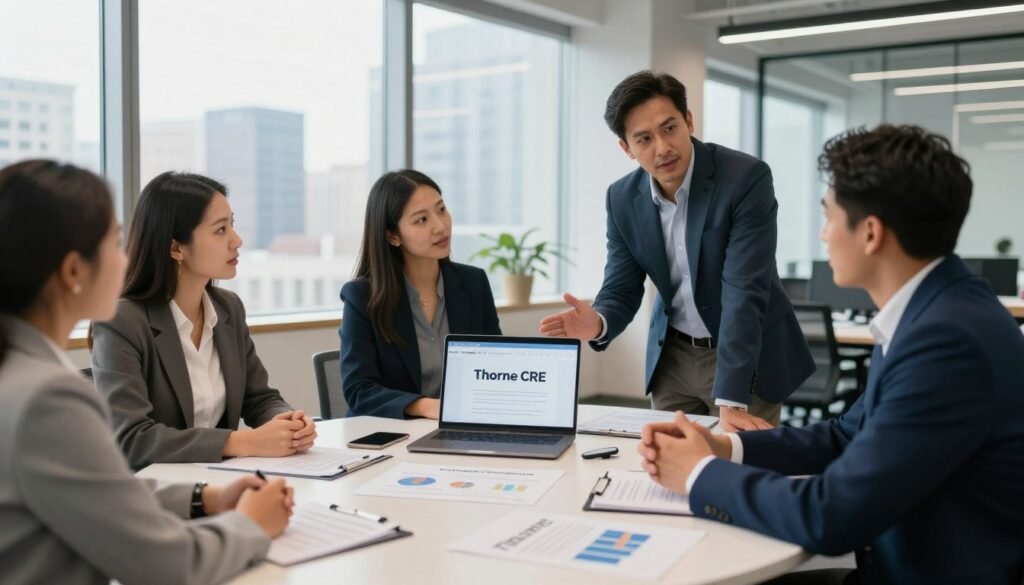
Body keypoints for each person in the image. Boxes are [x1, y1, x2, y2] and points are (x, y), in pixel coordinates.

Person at [638, 125, 1024, 584]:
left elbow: (831, 516)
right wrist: (726, 447)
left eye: (828, 217)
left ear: (871, 233)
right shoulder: (935, 309)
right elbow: (846, 434)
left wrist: (699, 475)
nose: (823, 236)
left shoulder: (948, 341)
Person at [0, 160, 293, 585]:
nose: (127, 258)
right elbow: (169, 565)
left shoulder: (22, 373)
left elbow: (103, 489)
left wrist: (204, 498)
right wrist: (251, 524)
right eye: (115, 244)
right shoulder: (46, 398)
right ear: (72, 271)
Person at [540, 70, 813, 431]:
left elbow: (744, 289)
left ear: (688, 120)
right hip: (673, 357)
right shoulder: (621, 198)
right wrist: (600, 322)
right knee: (664, 471)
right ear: (626, 148)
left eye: (669, 128)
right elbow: (621, 285)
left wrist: (732, 398)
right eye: (644, 139)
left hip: (745, 355)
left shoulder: (745, 178)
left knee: (743, 468)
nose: (662, 148)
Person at [91, 172, 316, 470]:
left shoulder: (228, 309)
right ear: (176, 248)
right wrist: (244, 442)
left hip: (221, 481)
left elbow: (259, 398)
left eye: (232, 225)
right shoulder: (121, 321)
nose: (237, 241)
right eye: (220, 230)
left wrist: (288, 423)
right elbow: (132, 439)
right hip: (156, 496)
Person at [340, 170, 501, 419]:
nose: (441, 225)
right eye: (421, 220)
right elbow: (359, 390)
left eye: (441, 210)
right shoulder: (362, 297)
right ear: (392, 236)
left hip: (462, 427)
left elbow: (496, 367)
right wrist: (428, 406)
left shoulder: (473, 283)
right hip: (392, 436)